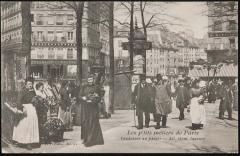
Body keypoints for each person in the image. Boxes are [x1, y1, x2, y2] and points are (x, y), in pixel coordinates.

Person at [12, 77, 39, 150]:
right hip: (26, 109)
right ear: (26, 84)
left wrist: (36, 101)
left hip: (32, 109)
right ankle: (26, 143)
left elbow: (35, 99)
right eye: (29, 83)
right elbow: (18, 101)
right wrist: (22, 108)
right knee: (26, 126)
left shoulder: (33, 91)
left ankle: (31, 141)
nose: (30, 85)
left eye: (31, 83)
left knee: (32, 125)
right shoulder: (23, 91)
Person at [79, 74, 104, 147]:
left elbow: (99, 98)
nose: (90, 81)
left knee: (93, 123)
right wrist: (83, 98)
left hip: (93, 108)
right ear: (87, 80)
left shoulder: (96, 87)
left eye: (91, 80)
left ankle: (91, 141)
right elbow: (79, 95)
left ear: (93, 80)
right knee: (85, 123)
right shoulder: (84, 87)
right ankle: (86, 139)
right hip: (85, 108)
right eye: (89, 80)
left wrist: (93, 101)